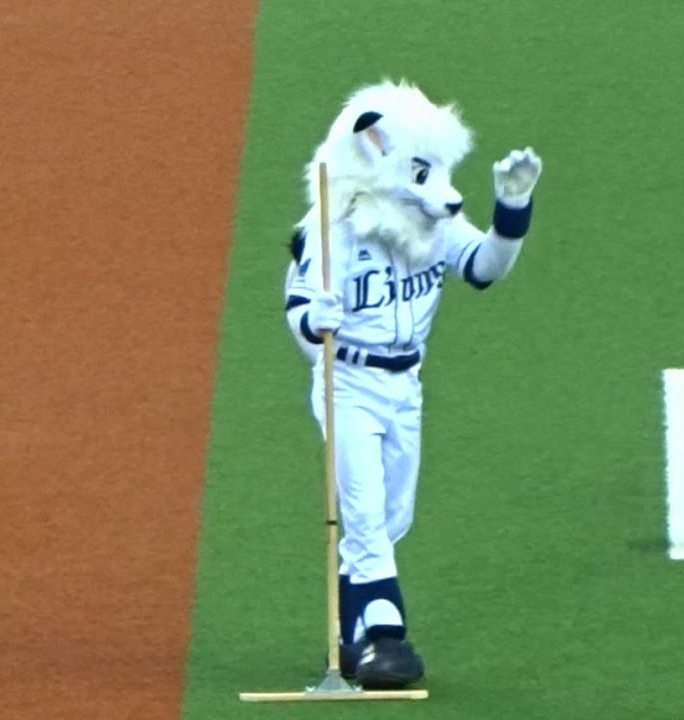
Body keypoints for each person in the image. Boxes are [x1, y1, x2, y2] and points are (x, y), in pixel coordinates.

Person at [282, 80, 543, 686]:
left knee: (393, 517)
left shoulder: (432, 225)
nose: (441, 192)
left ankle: (349, 637)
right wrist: (314, 320)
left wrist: (512, 211)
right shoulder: (331, 229)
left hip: (406, 387)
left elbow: (485, 268)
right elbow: (300, 311)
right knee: (366, 514)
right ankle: (386, 638)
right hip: (348, 383)